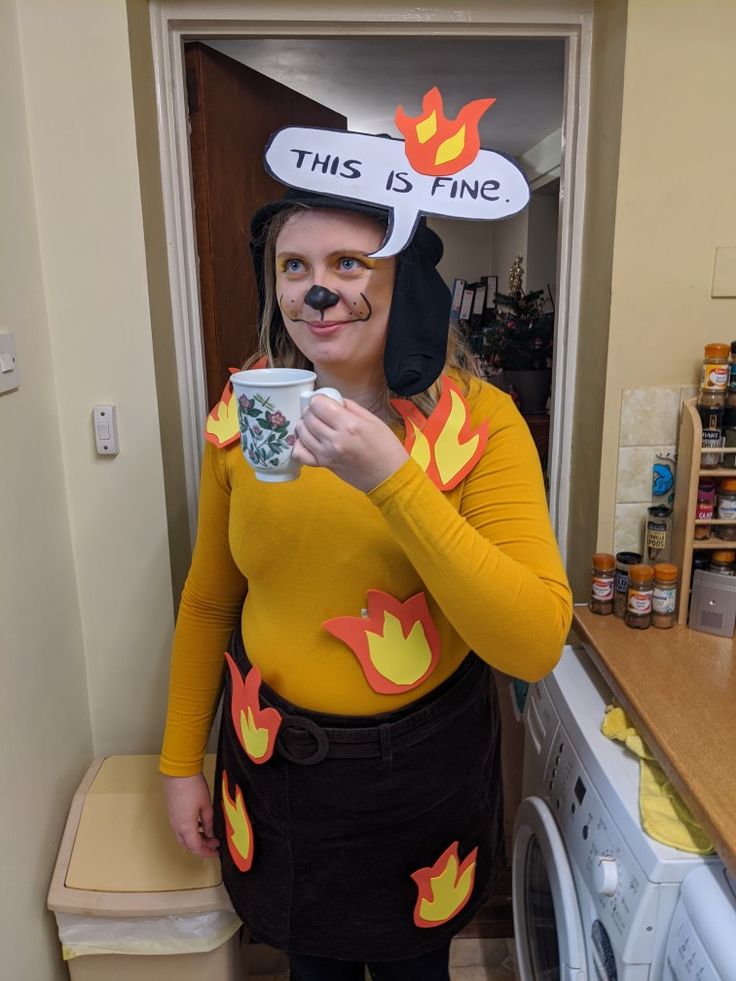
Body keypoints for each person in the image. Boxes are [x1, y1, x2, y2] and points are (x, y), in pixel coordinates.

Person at [160, 188, 572, 981]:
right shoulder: (249, 407)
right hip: (276, 765)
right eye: (295, 266)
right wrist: (181, 762)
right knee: (311, 966)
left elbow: (532, 641)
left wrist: (394, 479)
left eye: (348, 263)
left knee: (416, 971)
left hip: (421, 773)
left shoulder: (481, 422)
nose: (317, 291)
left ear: (406, 282)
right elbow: (210, 598)